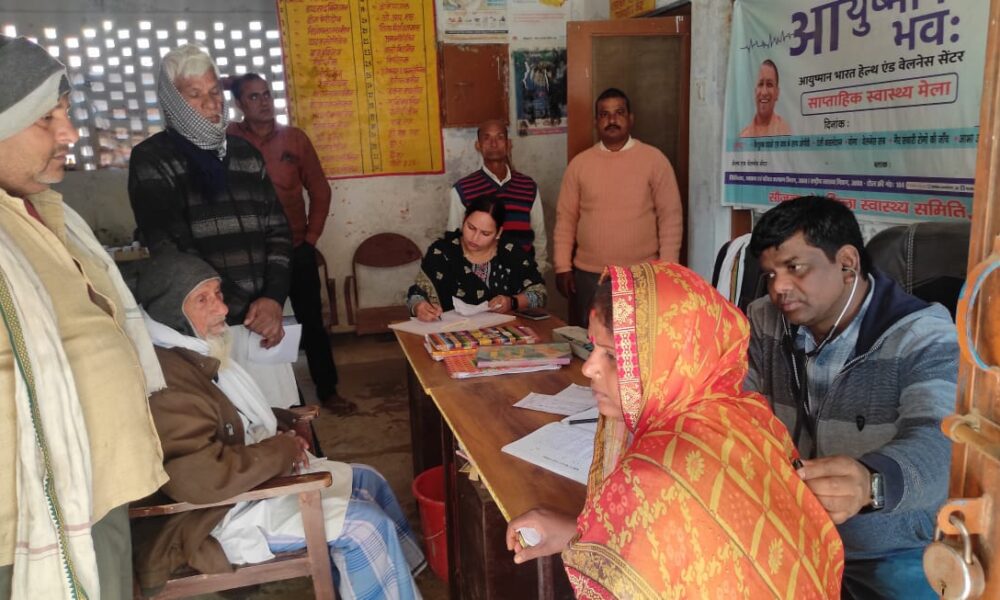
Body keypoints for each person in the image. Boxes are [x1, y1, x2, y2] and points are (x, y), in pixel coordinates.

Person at [506, 262, 844, 598]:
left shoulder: (654, 475)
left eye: (613, 356)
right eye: (593, 346)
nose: (589, 368)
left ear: (666, 359)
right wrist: (574, 533)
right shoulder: (745, 416)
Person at [129, 250, 425, 599]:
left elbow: (230, 416)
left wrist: (284, 422)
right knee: (364, 526)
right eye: (202, 299)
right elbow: (202, 479)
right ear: (171, 310)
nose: (222, 308)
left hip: (245, 490)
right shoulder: (167, 382)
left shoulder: (191, 351)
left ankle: (396, 581)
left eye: (218, 293)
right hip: (214, 518)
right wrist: (282, 448)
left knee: (368, 479)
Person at [0, 36, 167, 599]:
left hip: (95, 486)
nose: (70, 133)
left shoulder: (48, 211)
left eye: (67, 113)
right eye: (47, 119)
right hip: (27, 518)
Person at [744, 196, 957, 599]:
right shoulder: (763, 321)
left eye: (794, 267)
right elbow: (732, 404)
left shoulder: (922, 335)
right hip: (785, 530)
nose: (778, 288)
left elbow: (942, 442)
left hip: (890, 548)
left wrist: (870, 484)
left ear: (846, 263)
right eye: (770, 274)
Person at [128, 44, 298, 409]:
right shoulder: (153, 160)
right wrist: (239, 308)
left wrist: (272, 299)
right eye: (195, 94)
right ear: (173, 101)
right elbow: (173, 251)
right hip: (206, 328)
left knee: (280, 416)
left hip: (264, 322)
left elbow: (278, 232)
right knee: (232, 421)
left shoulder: (245, 154)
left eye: (215, 91)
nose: (211, 103)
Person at [227, 72, 354, 414]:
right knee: (251, 323)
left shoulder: (295, 139)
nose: (264, 102)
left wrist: (310, 238)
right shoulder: (228, 139)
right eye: (253, 96)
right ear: (239, 104)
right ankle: (265, 399)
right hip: (250, 256)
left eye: (267, 94)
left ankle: (328, 391)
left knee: (312, 321)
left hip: (296, 248)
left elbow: (321, 190)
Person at [552, 87, 683, 326]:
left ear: (631, 119)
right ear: (596, 121)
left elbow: (670, 218)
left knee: (639, 341)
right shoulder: (579, 165)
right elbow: (566, 219)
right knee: (590, 341)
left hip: (641, 274)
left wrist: (667, 269)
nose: (612, 120)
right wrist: (562, 267)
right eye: (604, 114)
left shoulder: (655, 161)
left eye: (619, 113)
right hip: (590, 276)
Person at [408, 195, 545, 321]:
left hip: (502, 333)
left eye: (485, 233)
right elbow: (416, 295)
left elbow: (540, 295)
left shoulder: (510, 252)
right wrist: (419, 306)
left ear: (498, 233)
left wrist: (512, 302)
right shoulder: (442, 252)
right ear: (464, 220)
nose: (474, 238)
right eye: (471, 227)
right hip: (449, 332)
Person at [446, 118, 549, 273]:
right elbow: (453, 239)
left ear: (508, 144)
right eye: (487, 138)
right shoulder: (462, 189)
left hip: (522, 274)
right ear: (478, 145)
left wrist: (538, 270)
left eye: (500, 137)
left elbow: (539, 235)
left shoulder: (528, 186)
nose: (493, 144)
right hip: (479, 277)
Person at [739, 59, 791, 138]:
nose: (764, 92)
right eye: (760, 84)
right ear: (755, 92)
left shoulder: (785, 131)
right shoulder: (744, 137)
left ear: (777, 93)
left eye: (769, 84)